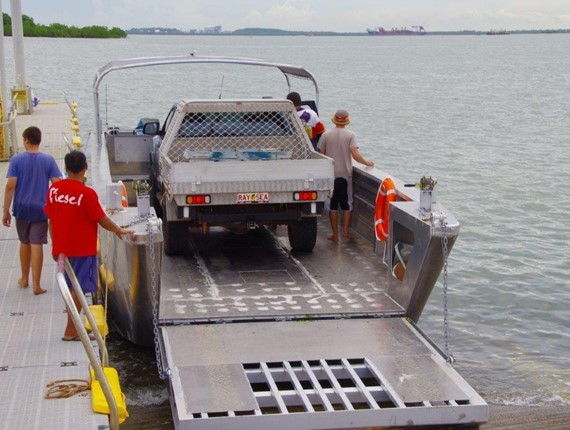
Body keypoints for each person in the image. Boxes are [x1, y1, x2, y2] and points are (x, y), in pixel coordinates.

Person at [44, 150, 134, 341]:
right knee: (78, 290)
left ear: (66, 169)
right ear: (86, 168)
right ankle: (71, 330)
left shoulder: (54, 190)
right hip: (82, 250)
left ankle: (73, 328)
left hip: (62, 248)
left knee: (70, 289)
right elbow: (101, 219)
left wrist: (55, 246)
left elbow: (51, 219)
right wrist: (119, 230)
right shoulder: (87, 194)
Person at [2, 126, 62, 295]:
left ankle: (24, 278)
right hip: (40, 208)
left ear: (26, 140)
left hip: (21, 207)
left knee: (24, 241)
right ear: (39, 140)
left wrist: (5, 211)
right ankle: (37, 285)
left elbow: (10, 186)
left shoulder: (16, 160)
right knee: (37, 243)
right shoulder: (48, 160)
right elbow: (57, 184)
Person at [318, 109, 374, 243]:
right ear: (347, 120)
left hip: (330, 175)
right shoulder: (351, 135)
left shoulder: (326, 135)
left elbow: (321, 154)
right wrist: (367, 162)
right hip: (345, 175)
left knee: (332, 205)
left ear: (334, 119)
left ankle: (335, 235)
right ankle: (346, 231)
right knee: (347, 204)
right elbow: (355, 155)